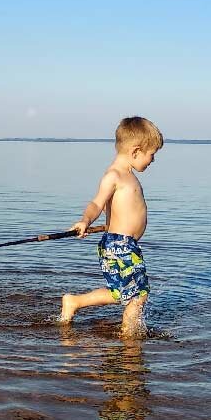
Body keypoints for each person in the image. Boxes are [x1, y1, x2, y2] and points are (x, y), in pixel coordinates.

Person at [59, 116, 163, 338]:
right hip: (122, 246)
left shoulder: (128, 175)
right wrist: (85, 221)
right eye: (151, 154)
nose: (153, 160)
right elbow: (96, 203)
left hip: (119, 242)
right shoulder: (114, 176)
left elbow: (116, 214)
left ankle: (75, 302)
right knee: (139, 295)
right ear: (136, 151)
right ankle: (130, 342)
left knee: (120, 292)